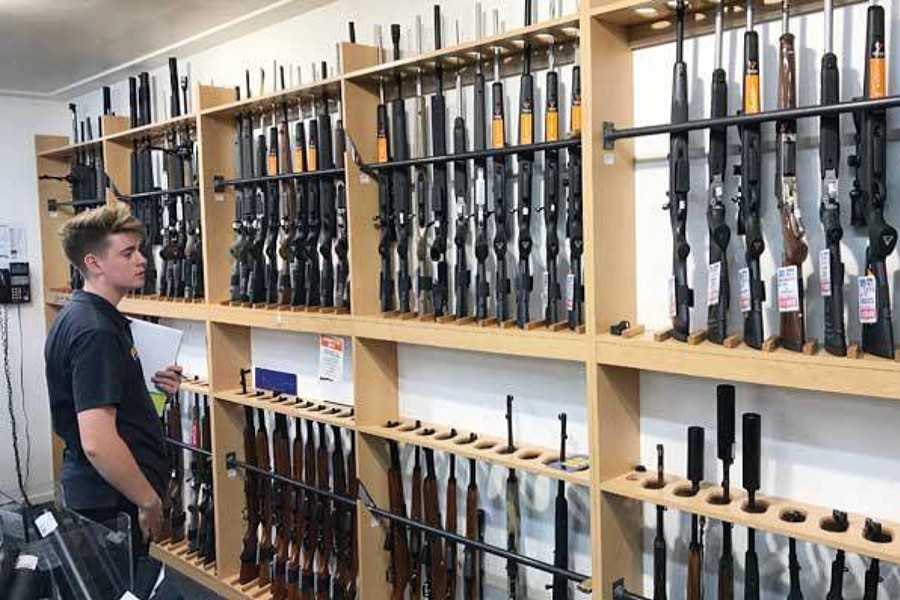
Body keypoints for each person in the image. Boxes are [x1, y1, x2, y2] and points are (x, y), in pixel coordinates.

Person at [44, 205, 184, 599]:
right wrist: (148, 500)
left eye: (140, 250)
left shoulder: (84, 316)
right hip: (111, 499)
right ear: (94, 262)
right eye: (127, 253)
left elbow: (108, 402)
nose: (142, 260)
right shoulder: (95, 331)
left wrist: (150, 387)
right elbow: (97, 440)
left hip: (100, 492)